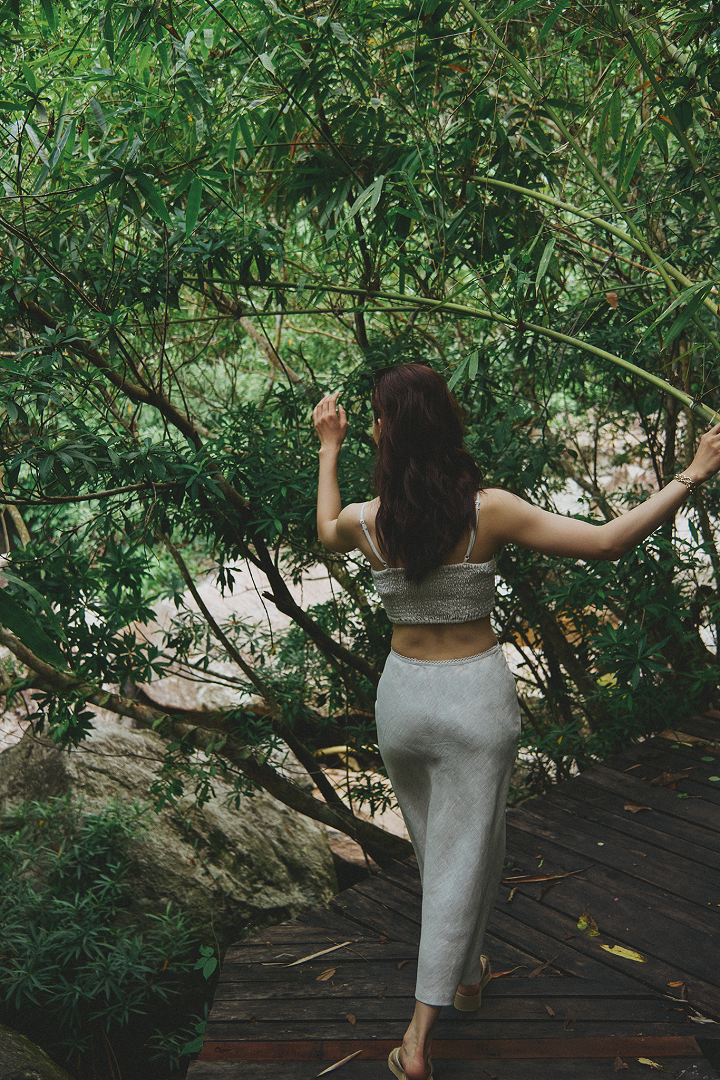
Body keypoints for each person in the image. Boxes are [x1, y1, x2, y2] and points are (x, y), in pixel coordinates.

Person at [312, 363, 720, 1080]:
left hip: (402, 701)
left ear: (387, 432)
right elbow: (607, 541)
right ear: (443, 424)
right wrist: (692, 474)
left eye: (376, 418)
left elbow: (323, 531)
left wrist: (328, 447)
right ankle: (418, 1035)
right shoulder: (487, 511)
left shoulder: (367, 520)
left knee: (446, 849)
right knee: (468, 853)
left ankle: (467, 975)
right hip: (473, 699)